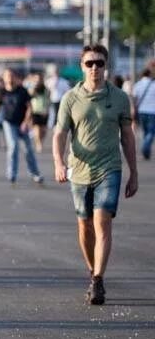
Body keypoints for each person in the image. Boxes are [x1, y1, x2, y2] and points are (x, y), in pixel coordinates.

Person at [53, 44, 139, 306]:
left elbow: (127, 136)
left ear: (106, 66)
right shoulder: (70, 98)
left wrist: (134, 172)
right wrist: (58, 163)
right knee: (85, 225)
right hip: (78, 171)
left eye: (99, 63)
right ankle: (93, 271)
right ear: (82, 67)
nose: (94, 68)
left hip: (109, 168)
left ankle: (98, 280)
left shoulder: (120, 98)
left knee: (102, 222)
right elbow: (60, 133)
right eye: (89, 63)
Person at [0, 69, 44, 187]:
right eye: (7, 76)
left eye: (11, 76)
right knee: (13, 146)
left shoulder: (22, 91)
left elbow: (29, 108)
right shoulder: (1, 92)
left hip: (22, 123)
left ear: (15, 77)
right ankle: (12, 174)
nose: (10, 78)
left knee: (28, 150)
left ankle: (35, 173)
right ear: (4, 78)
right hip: (9, 123)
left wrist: (25, 122)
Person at [132, 68, 155, 161]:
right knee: (151, 132)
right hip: (152, 111)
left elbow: (135, 99)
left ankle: (147, 152)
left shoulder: (137, 85)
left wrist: (134, 110)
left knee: (145, 131)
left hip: (141, 111)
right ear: (149, 74)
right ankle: (145, 148)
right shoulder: (154, 85)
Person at [29, 76, 51, 153]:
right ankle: (38, 144)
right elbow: (29, 98)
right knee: (37, 129)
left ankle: (40, 141)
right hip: (35, 111)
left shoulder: (46, 90)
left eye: (40, 80)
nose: (38, 82)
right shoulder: (33, 89)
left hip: (44, 111)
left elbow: (48, 100)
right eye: (37, 80)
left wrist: (47, 110)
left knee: (44, 130)